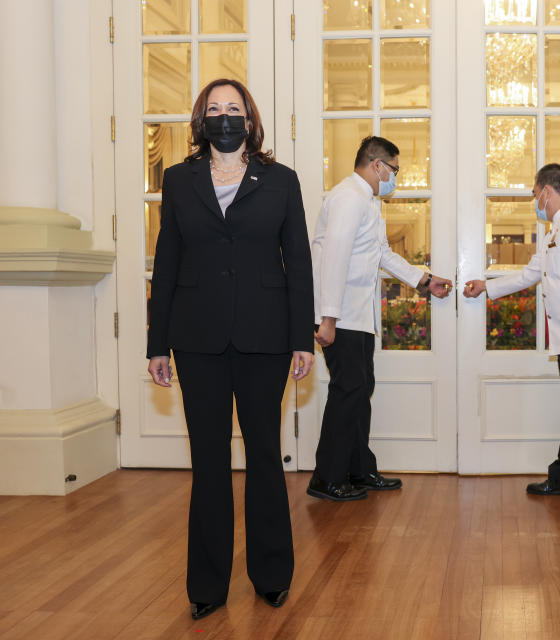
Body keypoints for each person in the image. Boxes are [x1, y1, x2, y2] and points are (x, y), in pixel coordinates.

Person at [146, 78, 315, 620]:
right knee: (209, 461)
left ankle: (271, 576)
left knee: (265, 454)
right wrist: (157, 345)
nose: (224, 116)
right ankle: (207, 586)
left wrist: (301, 338)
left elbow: (299, 265)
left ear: (249, 119)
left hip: (266, 339)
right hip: (197, 341)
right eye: (214, 108)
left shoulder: (282, 181)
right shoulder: (178, 180)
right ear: (201, 119)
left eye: (233, 108)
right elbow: (166, 265)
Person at [309, 136, 452, 502]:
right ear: (377, 165)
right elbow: (334, 258)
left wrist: (423, 279)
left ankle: (359, 469)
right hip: (341, 317)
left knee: (359, 393)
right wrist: (327, 318)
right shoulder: (347, 197)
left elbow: (383, 254)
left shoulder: (368, 202)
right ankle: (327, 477)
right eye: (394, 170)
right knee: (348, 393)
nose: (395, 178)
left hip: (358, 316)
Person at [463, 163, 560, 515]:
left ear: (547, 190)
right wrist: (488, 286)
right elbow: (532, 273)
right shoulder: (553, 231)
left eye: (534, 193)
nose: (534, 199)